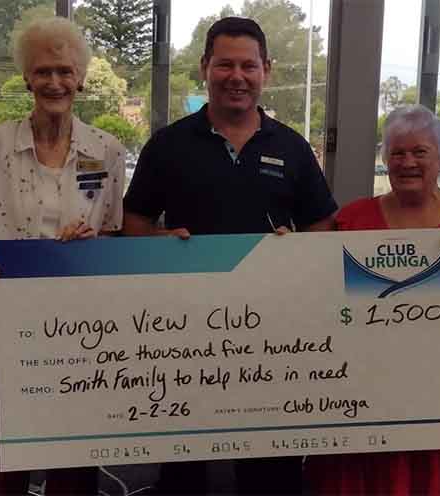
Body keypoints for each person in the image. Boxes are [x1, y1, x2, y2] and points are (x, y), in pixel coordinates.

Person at [123, 16, 338, 496]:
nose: (236, 77)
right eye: (225, 65)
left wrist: (298, 251)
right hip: (183, 332)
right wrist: (158, 241)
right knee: (183, 467)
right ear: (205, 67)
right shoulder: (168, 145)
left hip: (274, 334)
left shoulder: (292, 148)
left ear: (266, 71)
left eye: (248, 65)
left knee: (271, 470)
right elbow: (133, 225)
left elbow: (323, 230)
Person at [305, 104, 440, 495]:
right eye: (397, 153)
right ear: (386, 160)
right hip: (364, 391)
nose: (408, 162)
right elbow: (317, 296)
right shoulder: (352, 222)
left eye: (420, 152)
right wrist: (280, 255)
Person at [0, 17, 126, 495]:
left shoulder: (107, 151)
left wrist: (93, 245)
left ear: (81, 78)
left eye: (65, 71)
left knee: (73, 456)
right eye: (43, 71)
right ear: (27, 78)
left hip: (79, 329)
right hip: (0, 323)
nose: (55, 82)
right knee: (0, 453)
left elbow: (113, 233)